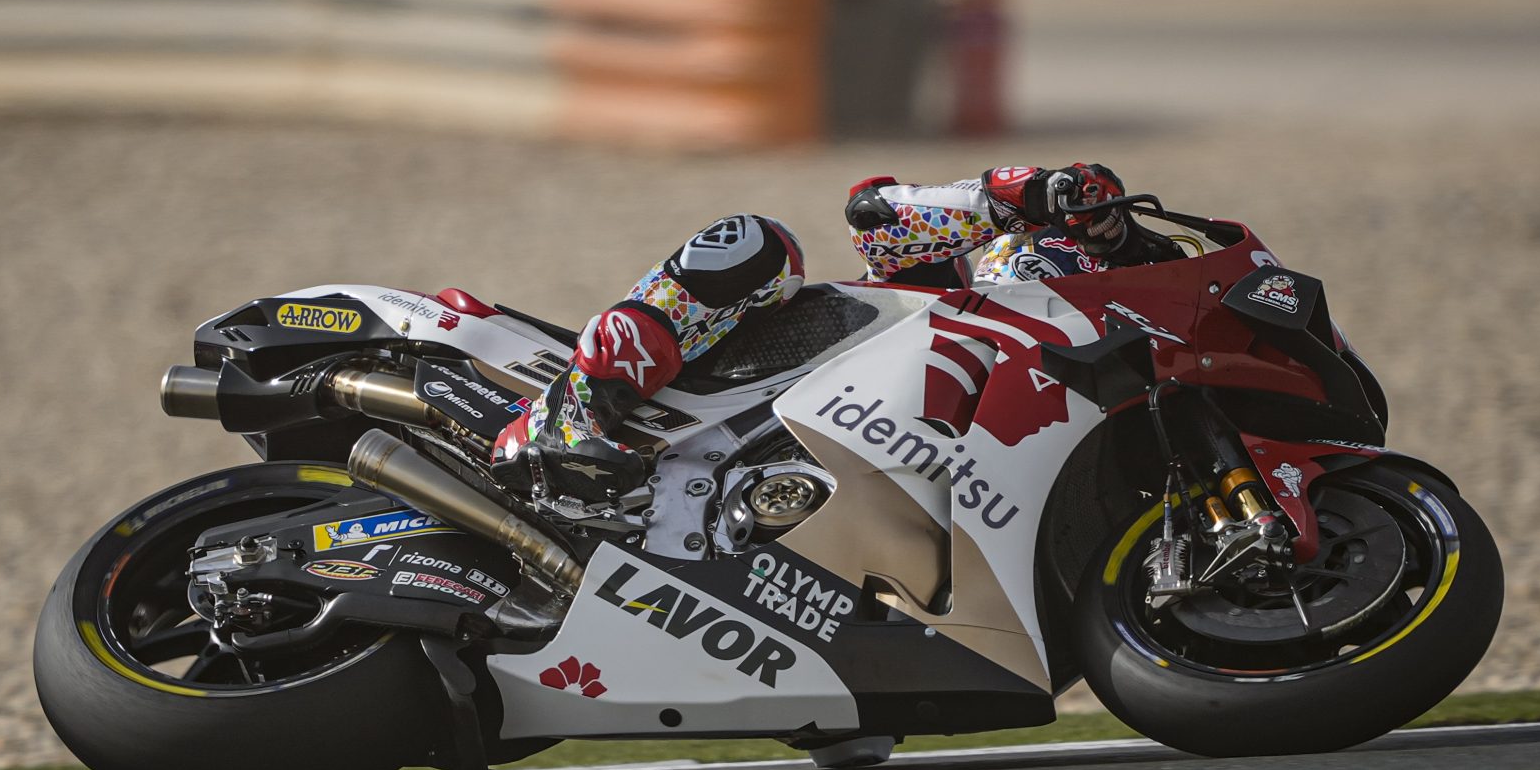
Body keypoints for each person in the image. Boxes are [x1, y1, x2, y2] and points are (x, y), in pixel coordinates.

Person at [490, 163, 1180, 503]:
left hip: (836, 502)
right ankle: (571, 415)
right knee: (758, 244)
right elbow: (875, 215)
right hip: (748, 391)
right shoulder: (944, 291)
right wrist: (1016, 193)